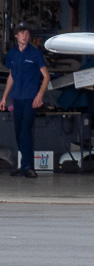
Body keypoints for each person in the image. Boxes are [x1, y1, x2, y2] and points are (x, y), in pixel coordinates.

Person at [1, 25, 51, 178]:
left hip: (30, 98)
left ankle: (29, 166)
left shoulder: (35, 54)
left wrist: (39, 95)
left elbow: (46, 76)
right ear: (16, 36)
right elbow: (11, 76)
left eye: (27, 33)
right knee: (18, 132)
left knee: (25, 131)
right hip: (17, 98)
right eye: (22, 33)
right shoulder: (13, 54)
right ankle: (24, 166)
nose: (25, 35)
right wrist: (4, 97)